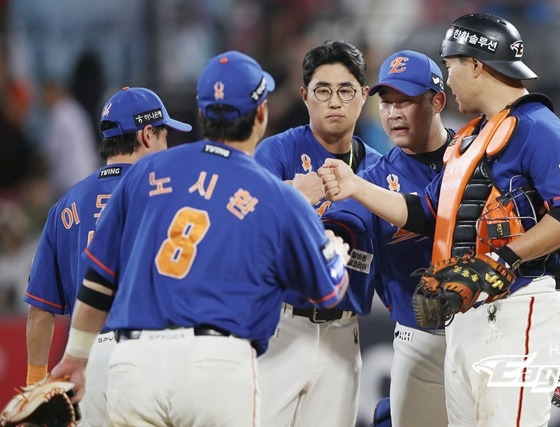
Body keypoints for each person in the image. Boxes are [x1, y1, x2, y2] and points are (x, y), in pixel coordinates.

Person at [319, 13, 560, 426]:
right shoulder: (473, 137)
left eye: (451, 67)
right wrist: (355, 185)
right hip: (467, 318)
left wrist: (504, 258)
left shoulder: (536, 125)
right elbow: (428, 214)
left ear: (476, 65)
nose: (448, 80)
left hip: (517, 308)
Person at [49, 50, 351, 427]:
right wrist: (335, 255)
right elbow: (328, 291)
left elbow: (97, 280)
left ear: (202, 112)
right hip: (215, 364)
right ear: (261, 113)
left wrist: (76, 357)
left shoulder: (145, 174)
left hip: (135, 363)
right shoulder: (277, 193)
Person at [24, 86, 192, 426]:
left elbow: (40, 311)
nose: (167, 145)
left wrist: (34, 383)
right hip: (151, 354)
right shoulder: (170, 192)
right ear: (147, 134)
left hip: (86, 362)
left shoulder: (67, 204)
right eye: (164, 135)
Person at [253, 40, 381, 427]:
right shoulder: (274, 152)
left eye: (346, 90)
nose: (334, 102)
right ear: (305, 95)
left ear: (363, 95)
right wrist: (294, 195)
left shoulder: (378, 170)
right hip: (280, 327)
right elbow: (244, 227)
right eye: (323, 91)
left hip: (345, 334)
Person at [321, 50, 451, 427]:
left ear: (437, 100)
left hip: (486, 329)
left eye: (405, 101)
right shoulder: (372, 180)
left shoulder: (475, 157)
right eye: (386, 102)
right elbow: (343, 233)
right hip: (422, 337)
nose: (393, 113)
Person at [41, 79, 101, 198]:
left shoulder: (59, 113)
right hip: (87, 173)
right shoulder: (74, 108)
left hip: (72, 180)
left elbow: (49, 154)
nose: (43, 100)